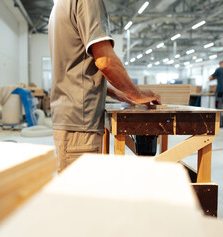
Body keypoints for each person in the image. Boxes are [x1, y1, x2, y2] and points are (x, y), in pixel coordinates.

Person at [48, 0, 161, 172]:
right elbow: (106, 61)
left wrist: (114, 92)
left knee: (75, 192)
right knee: (82, 195)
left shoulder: (60, 5)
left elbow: (74, 68)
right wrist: (138, 95)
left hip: (70, 118)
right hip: (81, 121)